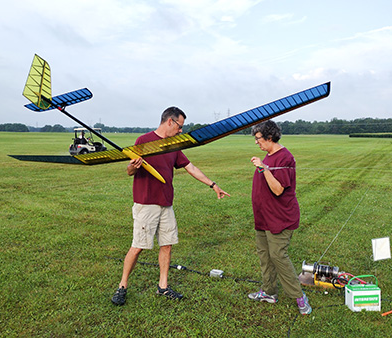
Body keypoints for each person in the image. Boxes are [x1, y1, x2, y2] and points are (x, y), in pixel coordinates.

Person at [112, 106, 230, 306]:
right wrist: (133, 166)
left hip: (166, 203)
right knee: (138, 246)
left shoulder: (173, 145)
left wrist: (213, 185)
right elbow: (129, 171)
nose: (181, 131)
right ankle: (122, 286)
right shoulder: (143, 140)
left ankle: (163, 287)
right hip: (146, 203)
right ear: (170, 121)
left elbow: (190, 167)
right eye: (180, 126)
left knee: (166, 245)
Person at [247, 120, 311, 315]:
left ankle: (299, 296)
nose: (256, 142)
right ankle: (269, 292)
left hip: (280, 218)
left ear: (269, 137)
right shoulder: (269, 156)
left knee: (278, 256)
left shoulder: (285, 158)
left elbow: (277, 189)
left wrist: (264, 168)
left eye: (258, 138)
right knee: (265, 255)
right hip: (264, 217)